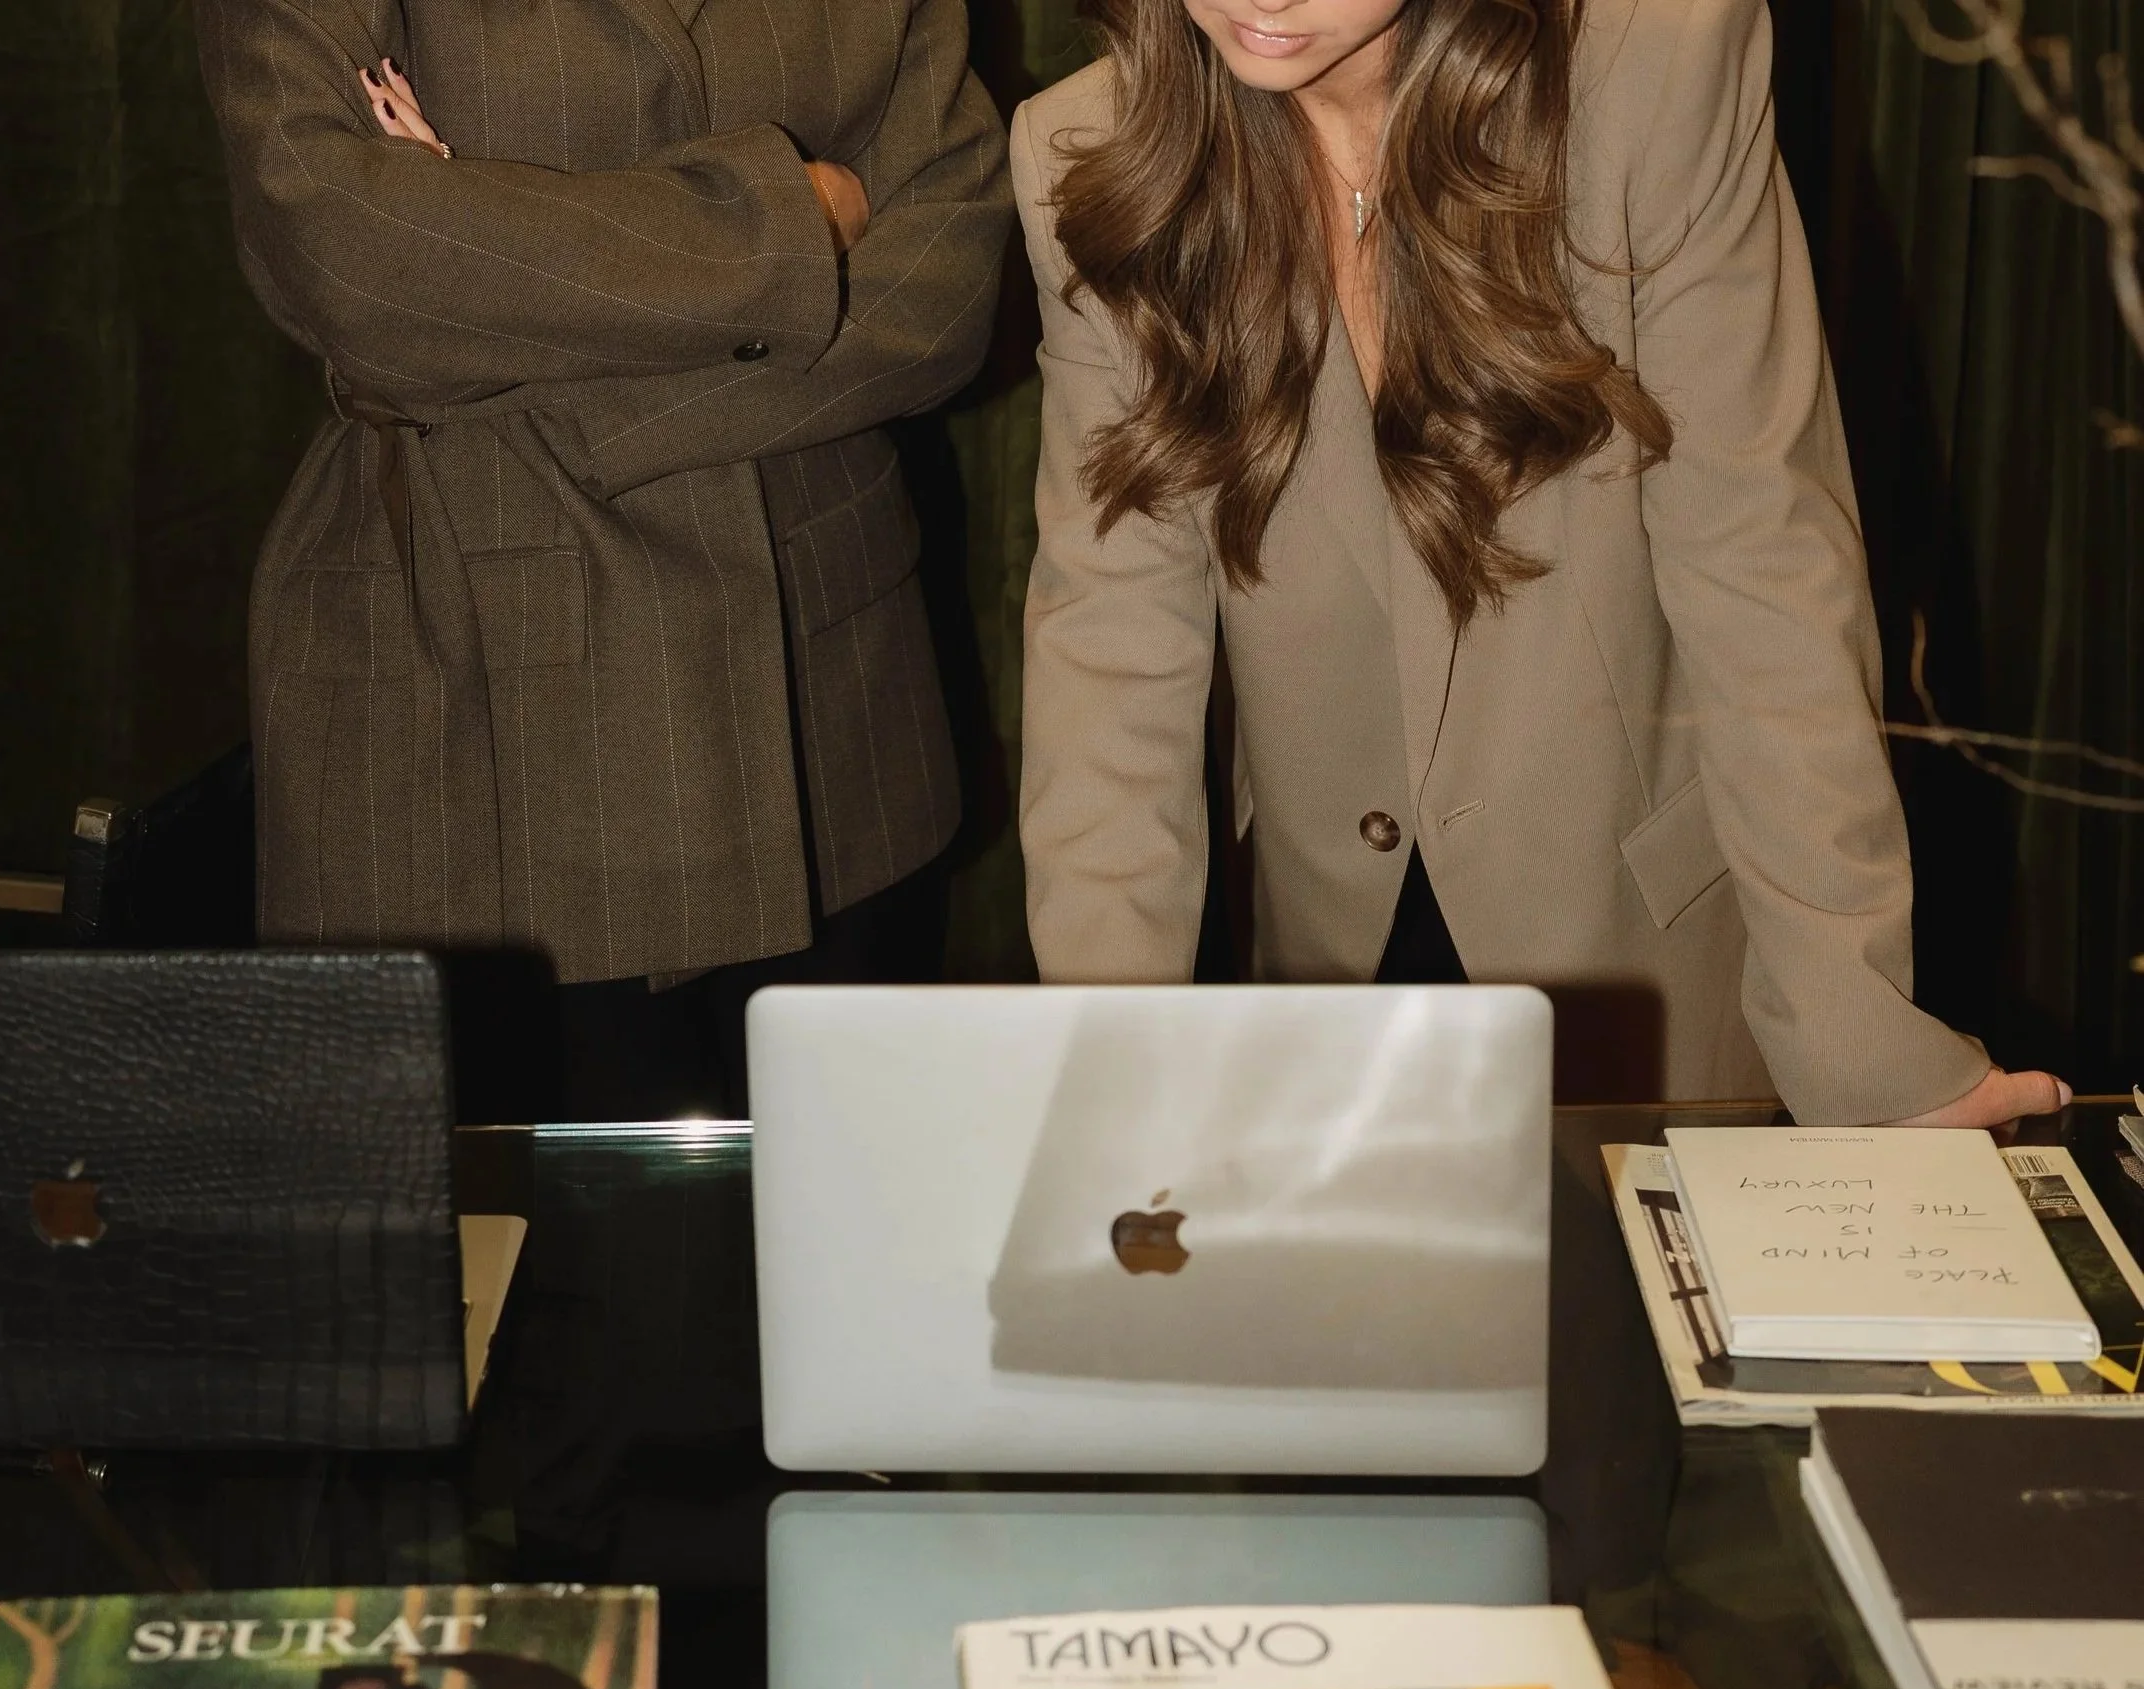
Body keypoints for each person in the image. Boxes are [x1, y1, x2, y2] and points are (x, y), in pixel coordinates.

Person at [1010, 0, 2065, 1127]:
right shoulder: (1088, 150)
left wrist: (1869, 1068)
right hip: (1329, 961)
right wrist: (1105, 1075)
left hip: (1634, 950)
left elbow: (1763, 574)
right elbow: (1110, 650)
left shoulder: (1654, 73)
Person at [194, 0, 1009, 1116]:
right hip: (483, 730)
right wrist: (792, 221)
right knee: (542, 1276)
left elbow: (947, 279)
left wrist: (550, 382)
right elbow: (340, 247)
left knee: (849, 1262)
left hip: (839, 726)